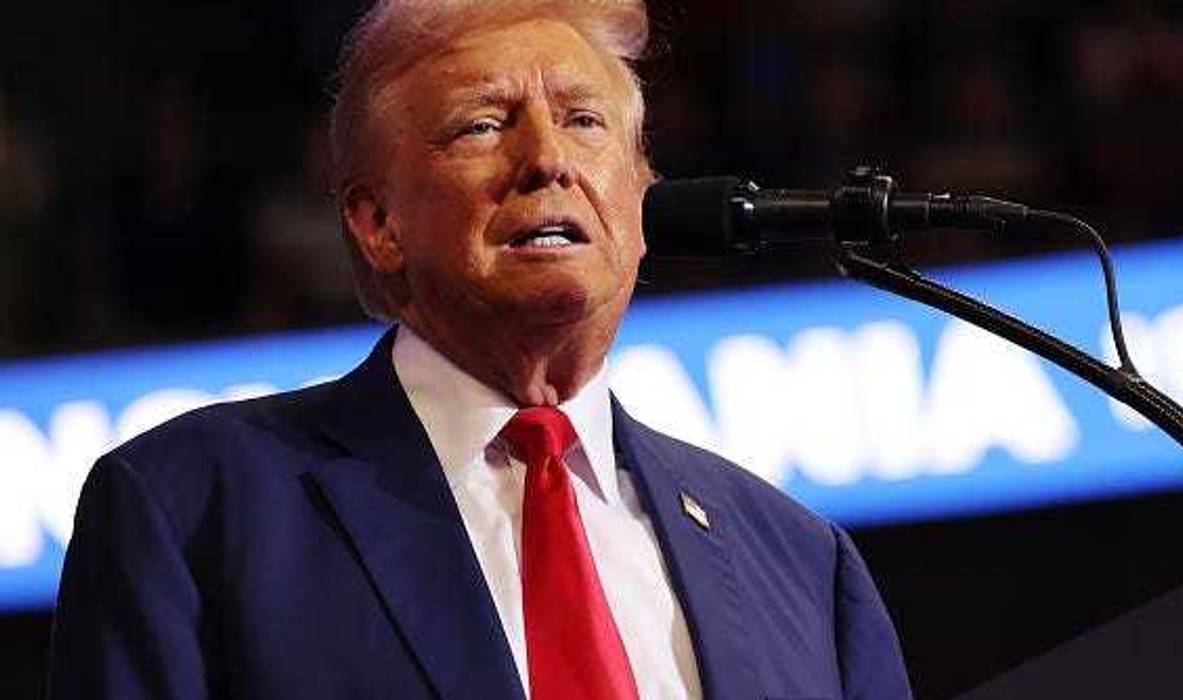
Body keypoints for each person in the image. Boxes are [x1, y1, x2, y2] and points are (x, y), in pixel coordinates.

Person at [48, 1, 912, 698]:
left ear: (641, 200)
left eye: (582, 120)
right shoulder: (194, 507)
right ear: (377, 223)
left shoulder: (799, 563)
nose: (547, 161)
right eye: (482, 126)